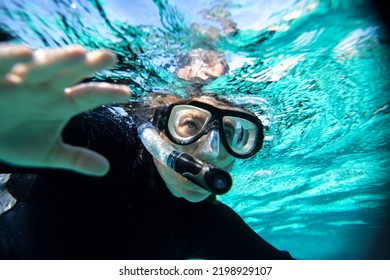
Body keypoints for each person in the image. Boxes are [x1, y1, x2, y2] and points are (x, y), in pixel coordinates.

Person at [0, 43, 293, 259]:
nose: (212, 150)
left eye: (229, 133)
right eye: (190, 124)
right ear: (159, 128)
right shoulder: (105, 145)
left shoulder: (204, 224)